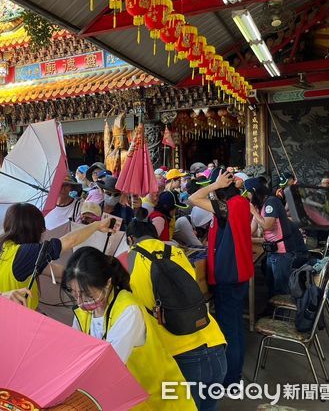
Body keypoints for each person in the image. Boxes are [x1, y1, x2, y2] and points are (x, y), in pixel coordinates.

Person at [64, 247, 196, 411]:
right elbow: (74, 356)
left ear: (107, 283)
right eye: (73, 293)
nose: (80, 302)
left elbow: (107, 368)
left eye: (87, 294)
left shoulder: (128, 310)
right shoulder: (82, 314)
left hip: (159, 402)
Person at [125, 209, 226, 411]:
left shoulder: (133, 258)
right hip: (216, 344)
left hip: (181, 355)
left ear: (130, 239)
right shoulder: (176, 252)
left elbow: (138, 309)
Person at [0, 203, 115, 310]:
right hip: (8, 323)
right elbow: (69, 241)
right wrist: (97, 226)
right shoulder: (25, 253)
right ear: (34, 229)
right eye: (41, 230)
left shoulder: (2, 246)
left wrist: (85, 276)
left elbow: (51, 270)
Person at [189, 168, 253, 387]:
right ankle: (235, 376)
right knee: (235, 326)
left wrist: (215, 185)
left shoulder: (227, 207)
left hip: (229, 276)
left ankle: (231, 379)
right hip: (238, 275)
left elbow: (193, 198)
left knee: (230, 329)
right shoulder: (241, 204)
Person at [246, 177, 296, 297]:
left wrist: (253, 211)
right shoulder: (259, 205)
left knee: (281, 288)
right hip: (272, 250)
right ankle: (271, 310)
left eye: (247, 192)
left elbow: (267, 225)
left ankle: (280, 314)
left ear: (253, 190)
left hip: (282, 252)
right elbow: (251, 230)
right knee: (270, 283)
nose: (246, 195)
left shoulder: (271, 202)